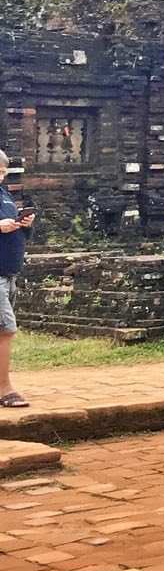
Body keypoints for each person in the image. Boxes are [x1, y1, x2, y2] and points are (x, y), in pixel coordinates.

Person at [0, 149, 34, 409]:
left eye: (3, 171)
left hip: (9, 270)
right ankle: (4, 389)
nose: (1, 175)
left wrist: (24, 223)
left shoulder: (4, 194)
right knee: (5, 329)